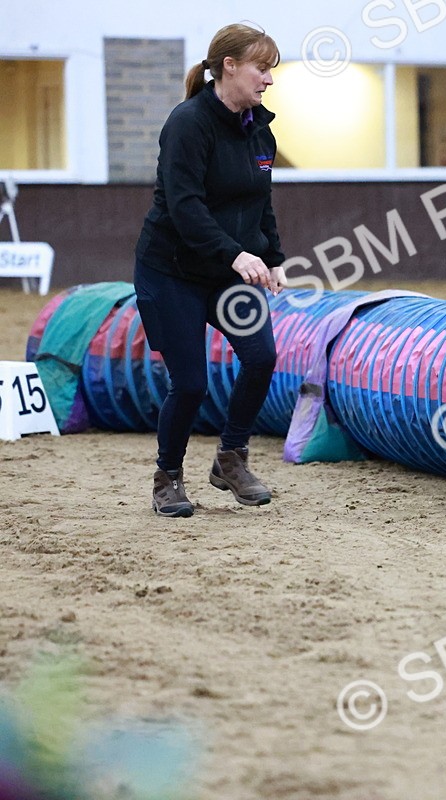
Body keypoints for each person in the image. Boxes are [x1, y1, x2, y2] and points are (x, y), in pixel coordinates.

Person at [134, 22, 287, 518]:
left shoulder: (259, 127)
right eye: (261, 69)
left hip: (226, 274)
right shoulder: (188, 123)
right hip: (172, 272)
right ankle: (168, 477)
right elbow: (186, 207)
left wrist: (275, 258)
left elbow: (261, 203)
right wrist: (236, 255)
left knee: (261, 356)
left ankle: (230, 459)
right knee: (192, 384)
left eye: (270, 71)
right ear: (229, 67)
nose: (268, 80)